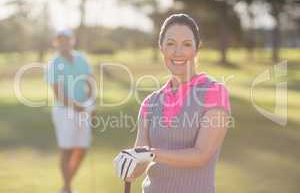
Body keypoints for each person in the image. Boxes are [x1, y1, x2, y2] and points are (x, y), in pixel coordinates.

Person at [113, 14, 232, 193]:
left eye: (186, 44)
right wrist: (128, 164)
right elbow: (138, 166)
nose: (178, 52)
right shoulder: (150, 103)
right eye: (170, 44)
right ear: (161, 48)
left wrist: (151, 153)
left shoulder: (214, 92)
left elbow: (201, 156)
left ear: (197, 47)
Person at [45, 29, 96, 193]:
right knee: (66, 149)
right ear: (55, 42)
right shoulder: (53, 64)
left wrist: (89, 103)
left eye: (66, 39)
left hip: (83, 110)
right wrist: (79, 107)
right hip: (64, 111)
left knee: (82, 149)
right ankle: (67, 188)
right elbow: (59, 93)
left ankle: (66, 186)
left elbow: (90, 82)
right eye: (59, 40)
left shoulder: (81, 59)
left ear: (72, 41)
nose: (63, 43)